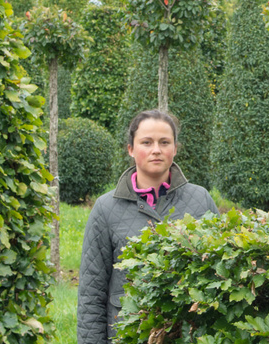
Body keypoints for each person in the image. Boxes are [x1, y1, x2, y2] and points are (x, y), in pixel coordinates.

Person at [77, 110, 219, 344]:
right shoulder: (105, 208)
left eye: (165, 142)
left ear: (175, 148)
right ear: (130, 149)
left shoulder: (200, 200)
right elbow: (92, 293)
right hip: (127, 335)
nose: (156, 150)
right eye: (146, 142)